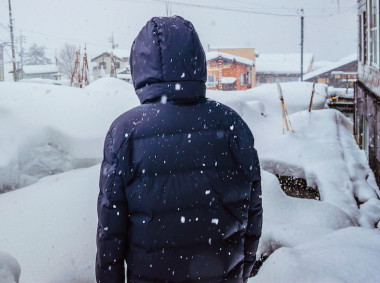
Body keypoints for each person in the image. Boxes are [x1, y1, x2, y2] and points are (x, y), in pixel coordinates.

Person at [96, 16, 263, 283]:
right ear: (197, 61)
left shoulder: (125, 133)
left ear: (139, 67)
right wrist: (241, 275)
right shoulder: (233, 126)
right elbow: (252, 217)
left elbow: (110, 236)